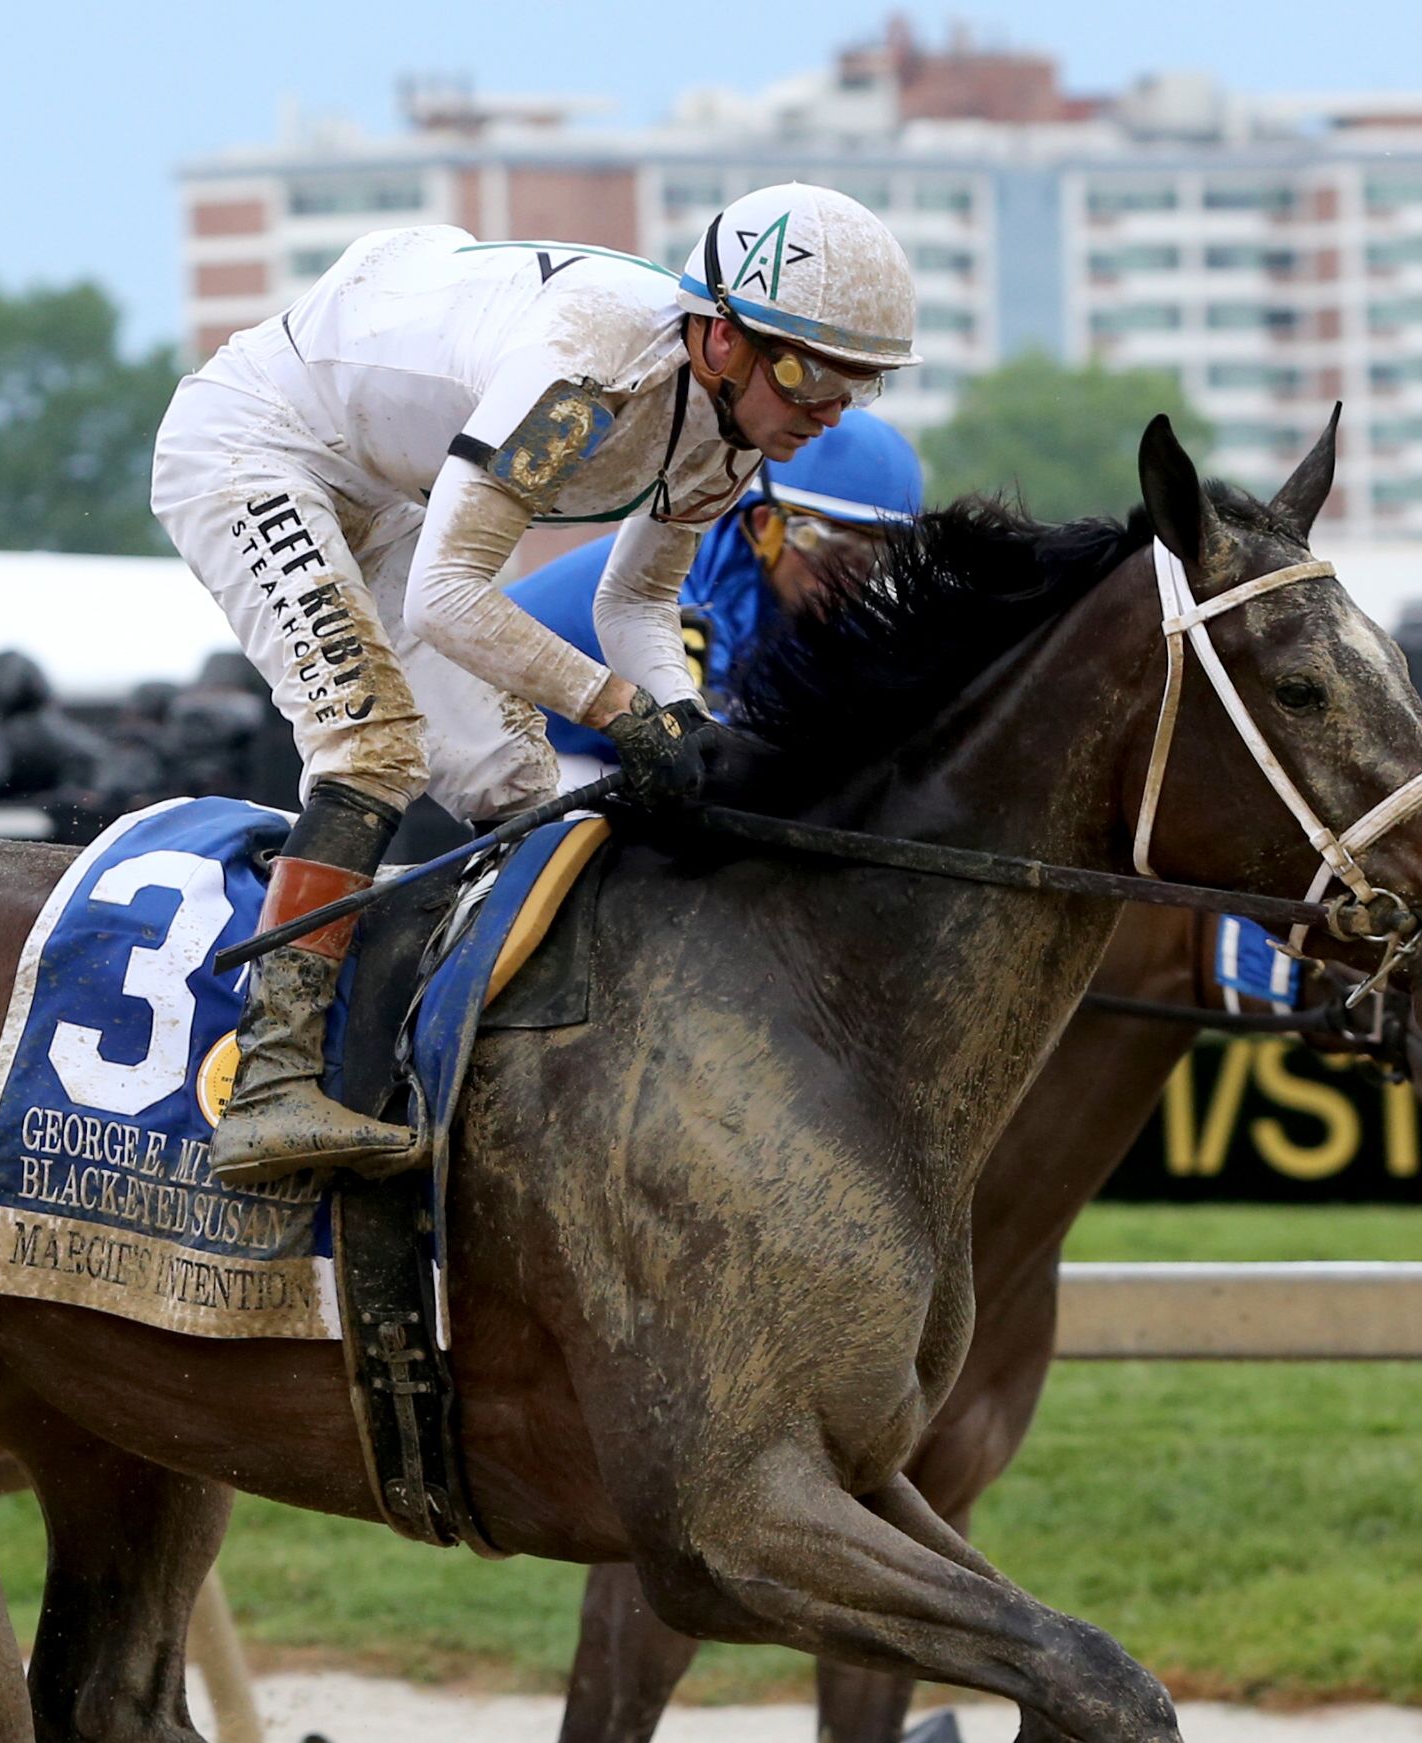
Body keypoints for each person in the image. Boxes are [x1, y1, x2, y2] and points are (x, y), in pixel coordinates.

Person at [153, 185, 920, 1187]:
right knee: (374, 745)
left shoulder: (738, 428)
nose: (826, 415)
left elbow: (637, 602)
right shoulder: (590, 371)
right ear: (723, 338)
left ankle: (518, 1071)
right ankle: (270, 1081)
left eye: (856, 387)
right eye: (808, 376)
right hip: (256, 447)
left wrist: (684, 718)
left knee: (519, 781)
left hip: (386, 487)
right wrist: (622, 712)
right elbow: (446, 600)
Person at [504, 408, 924, 774]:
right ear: (765, 525)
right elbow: (703, 744)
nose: (850, 580)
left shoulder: (823, 606)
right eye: (836, 552)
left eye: (876, 560)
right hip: (514, 734)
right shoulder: (685, 581)